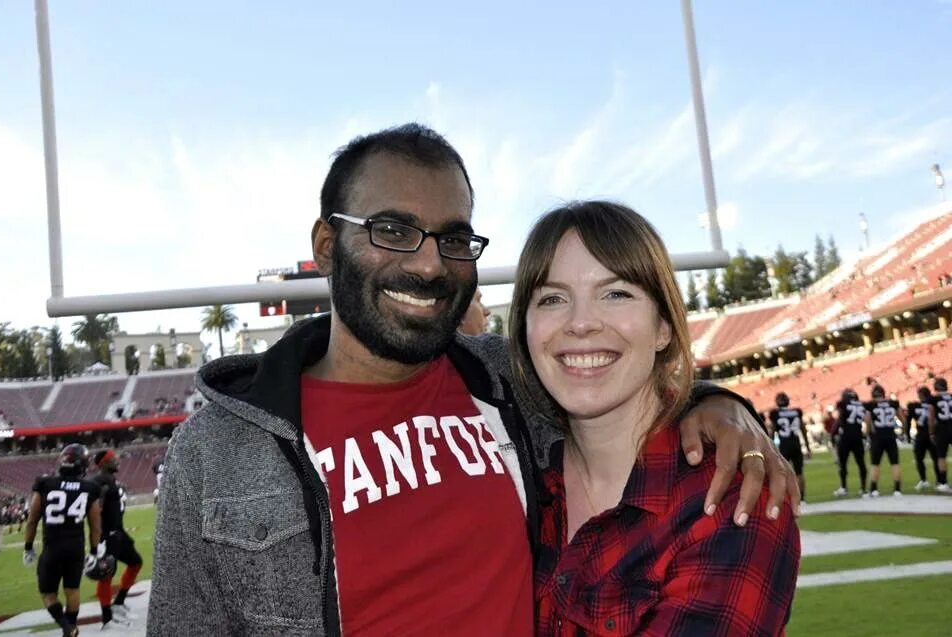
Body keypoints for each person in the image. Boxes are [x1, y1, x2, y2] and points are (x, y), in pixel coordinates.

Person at [149, 123, 797, 636]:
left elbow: (618, 370)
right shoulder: (218, 450)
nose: (430, 264)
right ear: (325, 245)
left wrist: (718, 403)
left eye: (454, 240)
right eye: (393, 230)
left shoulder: (504, 382)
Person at [508, 201, 799, 636]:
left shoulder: (730, 494)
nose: (581, 322)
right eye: (552, 298)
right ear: (524, 329)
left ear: (663, 327)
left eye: (616, 293)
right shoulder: (516, 484)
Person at [22, 443, 103, 637]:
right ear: (82, 464)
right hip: (76, 547)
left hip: (52, 547)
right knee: (72, 590)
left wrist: (28, 547)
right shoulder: (90, 487)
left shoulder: (45, 483)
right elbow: (95, 525)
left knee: (48, 594)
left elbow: (32, 520)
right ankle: (72, 629)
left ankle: (67, 628)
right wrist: (93, 551)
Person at [92, 449, 143, 628]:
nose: (118, 461)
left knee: (136, 562)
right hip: (107, 535)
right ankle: (107, 619)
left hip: (118, 531)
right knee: (106, 575)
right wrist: (97, 539)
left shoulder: (110, 480)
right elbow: (95, 510)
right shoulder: (99, 481)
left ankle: (119, 603)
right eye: (113, 459)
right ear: (103, 463)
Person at [769, 392, 811, 504]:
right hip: (796, 443)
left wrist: (770, 446)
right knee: (799, 473)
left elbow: (772, 431)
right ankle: (801, 499)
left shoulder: (775, 413)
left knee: (783, 473)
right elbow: (803, 429)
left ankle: (787, 498)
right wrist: (807, 446)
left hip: (784, 444)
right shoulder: (796, 412)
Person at [863, 385, 903, 496]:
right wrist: (903, 432)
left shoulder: (871, 405)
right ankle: (897, 489)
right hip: (890, 436)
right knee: (895, 463)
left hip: (877, 438)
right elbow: (902, 418)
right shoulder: (893, 403)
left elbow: (867, 420)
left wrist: (866, 435)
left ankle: (874, 489)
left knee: (875, 464)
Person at [833, 388, 868, 497]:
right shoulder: (862, 405)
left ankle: (843, 487)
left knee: (842, 464)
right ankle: (863, 488)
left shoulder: (843, 405)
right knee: (861, 463)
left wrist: (833, 433)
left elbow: (840, 419)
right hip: (858, 436)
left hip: (846, 437)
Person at [907, 386, 938, 491]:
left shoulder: (913, 406)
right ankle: (940, 481)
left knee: (919, 459)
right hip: (933, 434)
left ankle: (924, 480)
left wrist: (907, 435)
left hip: (922, 435)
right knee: (936, 459)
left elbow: (908, 421)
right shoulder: (934, 404)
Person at [931, 377, 952, 492]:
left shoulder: (934, 399)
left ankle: (943, 482)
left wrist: (931, 432)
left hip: (942, 430)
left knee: (941, 457)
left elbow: (931, 416)